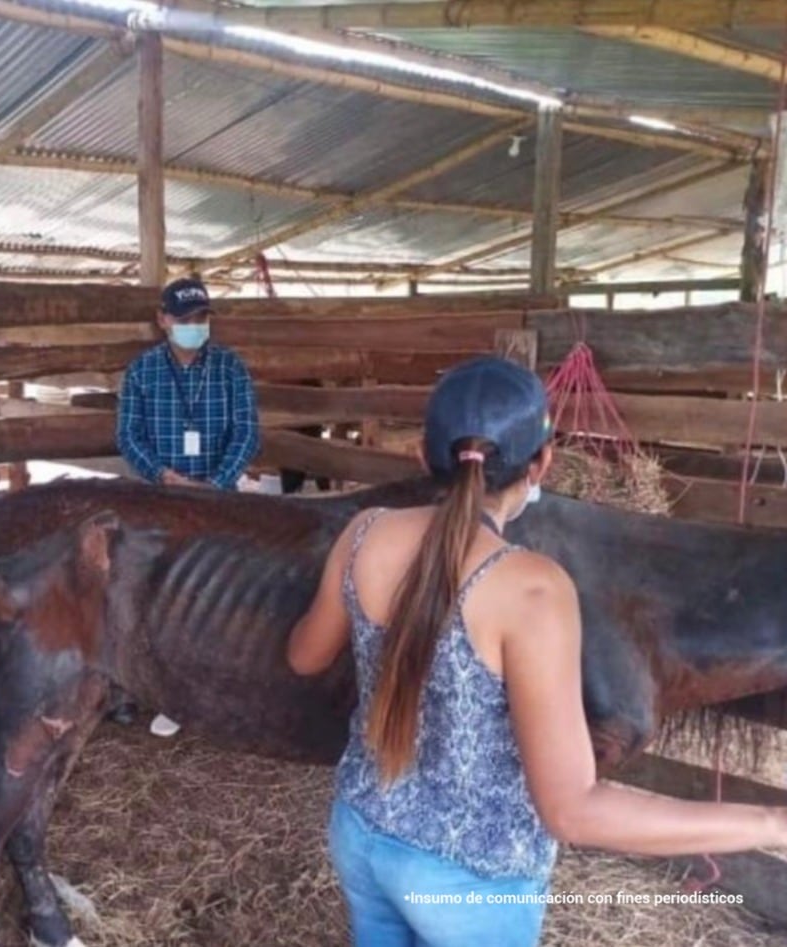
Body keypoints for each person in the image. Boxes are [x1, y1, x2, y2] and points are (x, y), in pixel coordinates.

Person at [286, 356, 787, 947]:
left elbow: (304, 657)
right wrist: (771, 821)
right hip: (469, 881)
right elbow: (571, 811)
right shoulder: (532, 588)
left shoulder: (364, 531)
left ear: (423, 455)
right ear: (542, 462)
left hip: (362, 833)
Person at [115, 276, 260, 737]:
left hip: (219, 502)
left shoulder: (230, 368)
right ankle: (168, 694)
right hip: (161, 502)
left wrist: (215, 484)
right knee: (160, 597)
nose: (194, 326)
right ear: (163, 320)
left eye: (201, 318)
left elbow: (247, 432)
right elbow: (129, 435)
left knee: (219, 599)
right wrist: (162, 476)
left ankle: (220, 693)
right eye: (185, 318)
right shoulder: (142, 372)